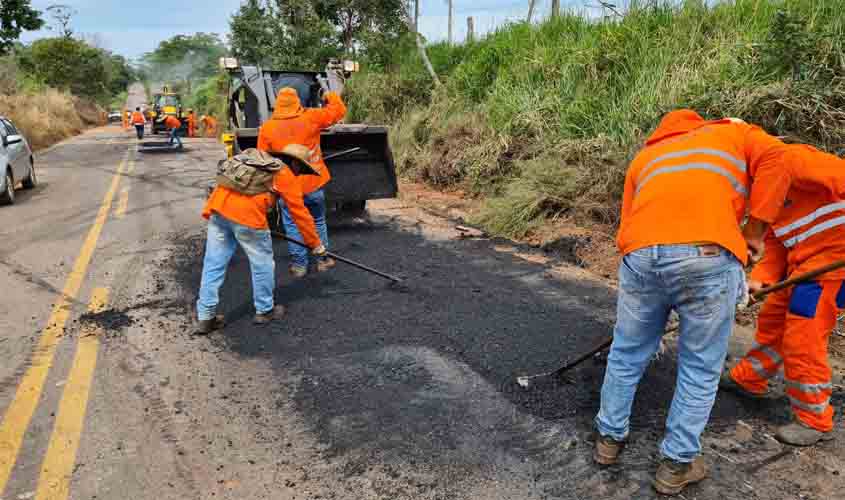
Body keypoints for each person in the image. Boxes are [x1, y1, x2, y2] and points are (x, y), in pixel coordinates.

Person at [591, 110, 804, 495]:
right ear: (701, 122)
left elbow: (626, 227)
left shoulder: (646, 157)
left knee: (627, 352)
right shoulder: (733, 134)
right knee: (700, 365)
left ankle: (608, 440)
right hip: (707, 254)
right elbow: (782, 158)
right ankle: (675, 464)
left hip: (641, 255)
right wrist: (754, 231)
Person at [721, 143, 845, 446]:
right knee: (774, 318)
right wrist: (760, 280)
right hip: (800, 268)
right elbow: (777, 243)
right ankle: (749, 378)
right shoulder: (767, 195)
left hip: (832, 269)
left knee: (803, 337)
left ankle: (814, 418)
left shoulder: (792, 160)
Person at [196, 144, 325, 333]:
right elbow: (300, 213)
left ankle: (205, 317)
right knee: (262, 263)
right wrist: (316, 245)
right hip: (248, 219)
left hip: (218, 210)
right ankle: (265, 310)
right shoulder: (284, 173)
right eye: (301, 169)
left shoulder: (257, 160)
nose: (299, 174)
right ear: (296, 164)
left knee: (213, 264)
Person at [257, 87, 347, 278]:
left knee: (292, 225)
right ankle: (323, 260)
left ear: (277, 105)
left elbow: (262, 159)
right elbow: (338, 111)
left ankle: (299, 265)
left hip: (287, 187)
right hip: (313, 183)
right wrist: (328, 95)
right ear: (297, 102)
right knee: (318, 220)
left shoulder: (267, 128)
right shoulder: (311, 117)